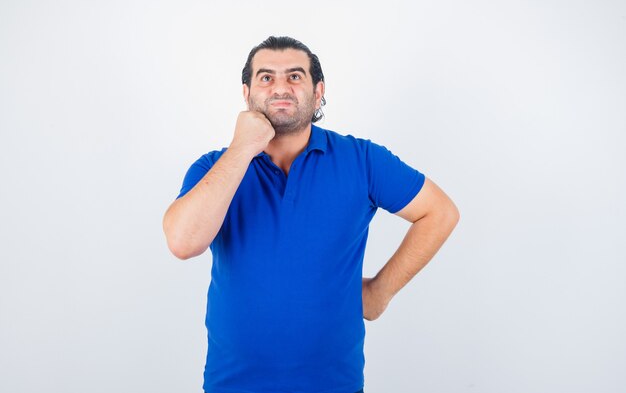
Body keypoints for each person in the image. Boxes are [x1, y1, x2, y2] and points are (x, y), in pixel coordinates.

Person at [162, 36, 460, 393]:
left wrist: (381, 292)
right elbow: (182, 242)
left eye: (295, 76)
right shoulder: (214, 168)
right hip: (233, 385)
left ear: (318, 91)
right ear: (247, 93)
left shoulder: (362, 160)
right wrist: (243, 147)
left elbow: (439, 212)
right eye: (266, 78)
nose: (280, 87)